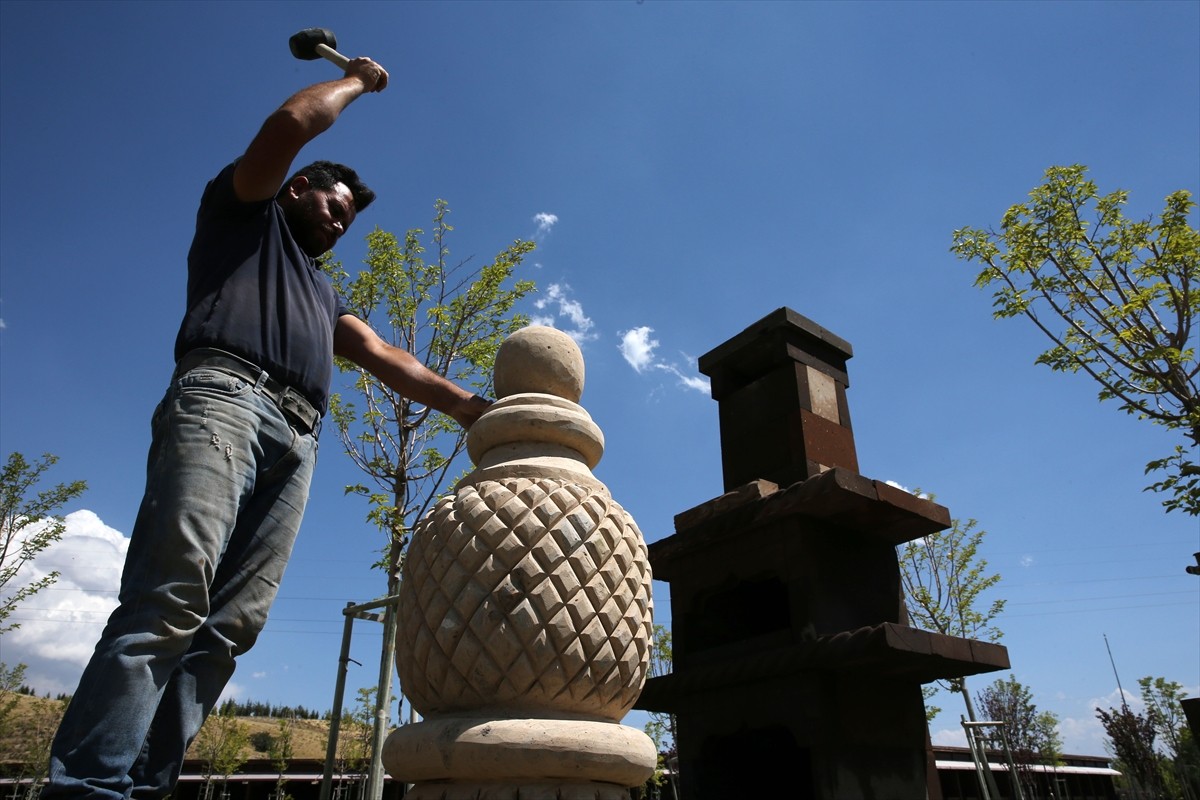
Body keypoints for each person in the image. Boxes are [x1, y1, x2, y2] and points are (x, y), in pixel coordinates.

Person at [44, 55, 486, 800]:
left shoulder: (322, 292)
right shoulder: (241, 216)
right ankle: (87, 789)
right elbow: (289, 125)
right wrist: (357, 82)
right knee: (170, 596)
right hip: (224, 395)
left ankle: (145, 789)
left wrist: (473, 408)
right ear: (295, 189)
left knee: (227, 629)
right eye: (334, 205)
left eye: (348, 218)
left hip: (299, 437)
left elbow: (384, 357)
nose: (341, 222)